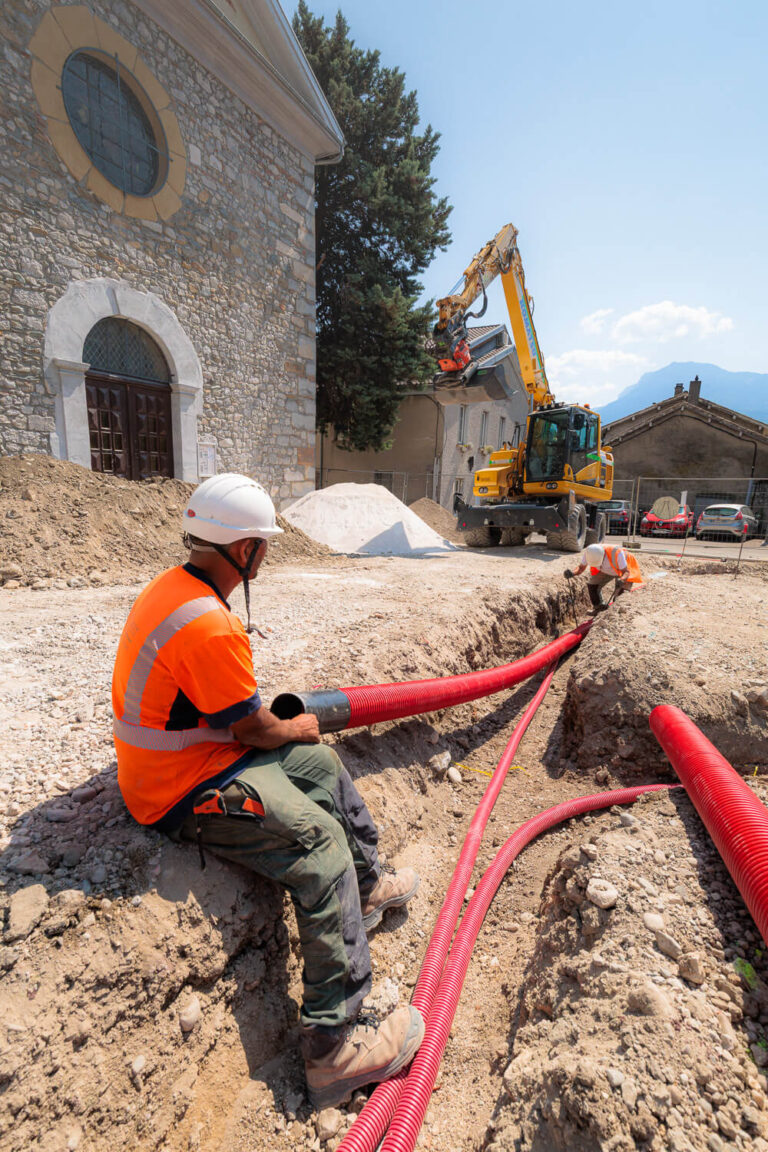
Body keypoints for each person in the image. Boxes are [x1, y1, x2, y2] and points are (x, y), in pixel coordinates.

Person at [112, 473, 424, 1109]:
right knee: (321, 848)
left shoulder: (178, 588)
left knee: (319, 764)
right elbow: (254, 729)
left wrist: (300, 739)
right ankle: (333, 1050)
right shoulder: (208, 623)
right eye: (264, 544)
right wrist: (297, 725)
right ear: (245, 549)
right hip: (180, 789)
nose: (267, 554)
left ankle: (364, 889)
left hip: (201, 759)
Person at [564, 541, 643, 611]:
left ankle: (617, 614)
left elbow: (626, 572)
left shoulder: (617, 553)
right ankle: (599, 608)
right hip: (606, 570)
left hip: (623, 570)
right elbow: (581, 568)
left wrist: (622, 580)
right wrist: (572, 573)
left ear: (603, 555)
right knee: (592, 585)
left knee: (619, 597)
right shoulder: (590, 553)